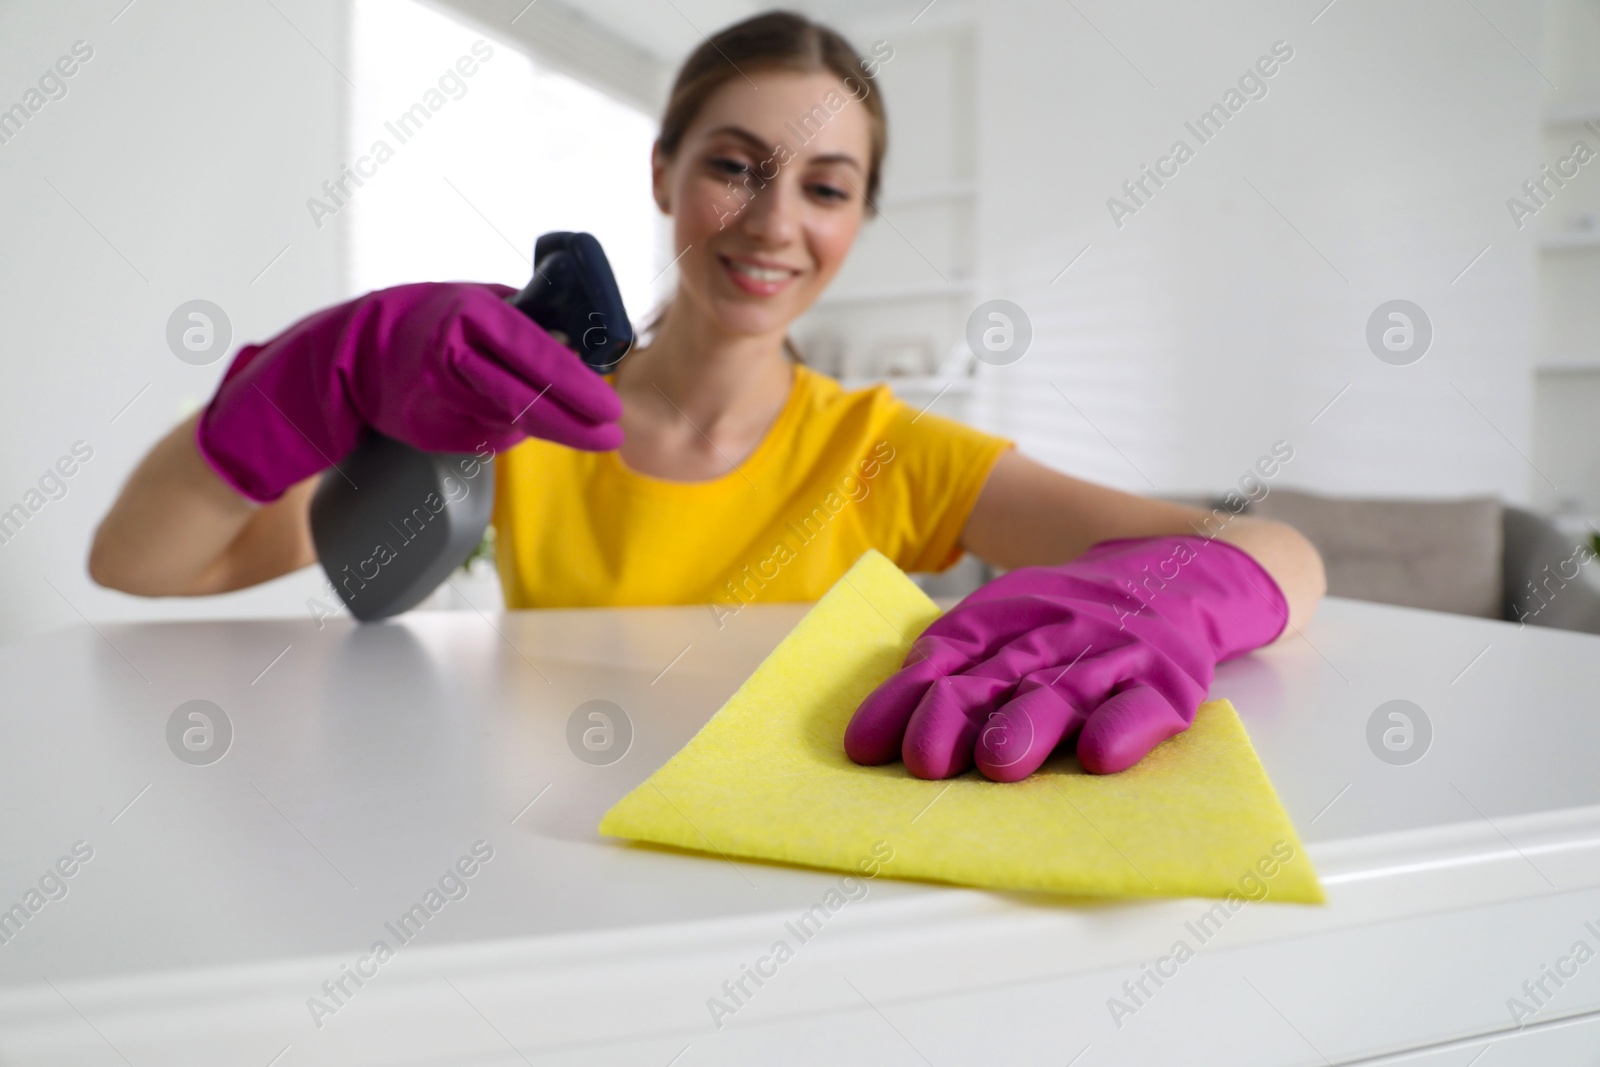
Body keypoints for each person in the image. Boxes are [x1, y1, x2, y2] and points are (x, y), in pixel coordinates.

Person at [89, 11, 1324, 782]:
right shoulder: (514, 414)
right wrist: (315, 372)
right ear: (663, 171)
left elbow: (1276, 551)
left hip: (793, 878)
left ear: (859, 219)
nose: (775, 222)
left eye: (828, 187)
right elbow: (150, 564)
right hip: (546, 865)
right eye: (736, 166)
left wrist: (1194, 595)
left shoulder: (885, 453)